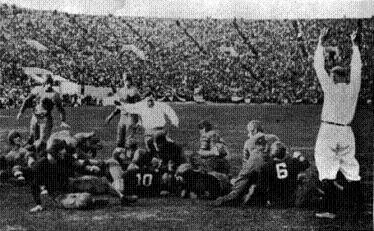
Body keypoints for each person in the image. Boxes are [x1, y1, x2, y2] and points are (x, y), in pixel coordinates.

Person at [313, 28, 365, 219]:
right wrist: (355, 47)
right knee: (351, 169)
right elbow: (357, 69)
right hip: (346, 131)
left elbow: (319, 67)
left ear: (333, 77)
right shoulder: (353, 88)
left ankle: (330, 209)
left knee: (326, 169)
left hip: (328, 130)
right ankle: (358, 207)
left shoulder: (330, 87)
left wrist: (320, 43)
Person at [27, 139, 137, 213]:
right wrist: (39, 204)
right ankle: (95, 202)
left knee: (100, 181)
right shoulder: (41, 165)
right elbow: (34, 185)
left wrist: (90, 168)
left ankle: (122, 198)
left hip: (69, 183)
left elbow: (79, 165)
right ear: (54, 152)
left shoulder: (64, 157)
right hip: (57, 194)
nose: (64, 151)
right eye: (61, 149)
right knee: (84, 199)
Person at [213, 120, 279, 206]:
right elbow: (282, 154)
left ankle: (233, 195)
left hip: (253, 168)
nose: (248, 134)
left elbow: (246, 164)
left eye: (249, 132)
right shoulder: (274, 138)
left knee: (238, 188)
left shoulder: (248, 142)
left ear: (254, 130)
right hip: (271, 170)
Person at [16, 75, 70, 149]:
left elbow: (60, 108)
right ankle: (33, 156)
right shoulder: (37, 89)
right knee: (33, 138)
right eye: (47, 83)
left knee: (43, 141)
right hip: (35, 117)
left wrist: (63, 120)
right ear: (44, 83)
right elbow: (27, 100)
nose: (49, 85)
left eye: (51, 83)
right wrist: (21, 112)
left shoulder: (55, 94)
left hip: (45, 119)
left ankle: (43, 158)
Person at [251, 141, 310, 207]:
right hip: (291, 200)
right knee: (303, 179)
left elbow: (261, 187)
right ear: (285, 153)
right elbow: (306, 164)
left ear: (272, 153)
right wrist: (299, 156)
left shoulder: (266, 167)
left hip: (274, 200)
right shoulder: (293, 163)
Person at [105, 73, 141, 148]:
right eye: (125, 80)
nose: (127, 82)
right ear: (123, 81)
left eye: (128, 80)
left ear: (131, 81)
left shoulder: (134, 91)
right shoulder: (121, 91)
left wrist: (140, 120)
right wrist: (111, 116)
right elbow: (119, 107)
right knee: (119, 140)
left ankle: (133, 157)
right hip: (123, 116)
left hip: (131, 116)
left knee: (129, 140)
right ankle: (120, 157)